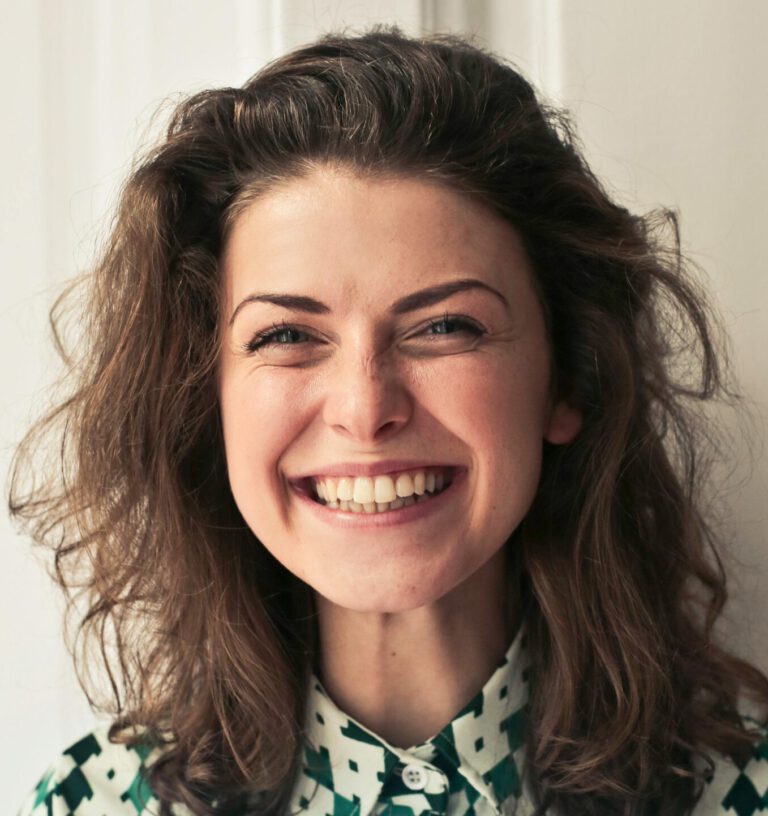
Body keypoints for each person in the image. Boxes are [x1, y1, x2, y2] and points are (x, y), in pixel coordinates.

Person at [10, 23, 768, 816]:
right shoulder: (91, 803)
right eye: (288, 336)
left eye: (446, 326)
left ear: (566, 380)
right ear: (208, 398)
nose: (367, 409)